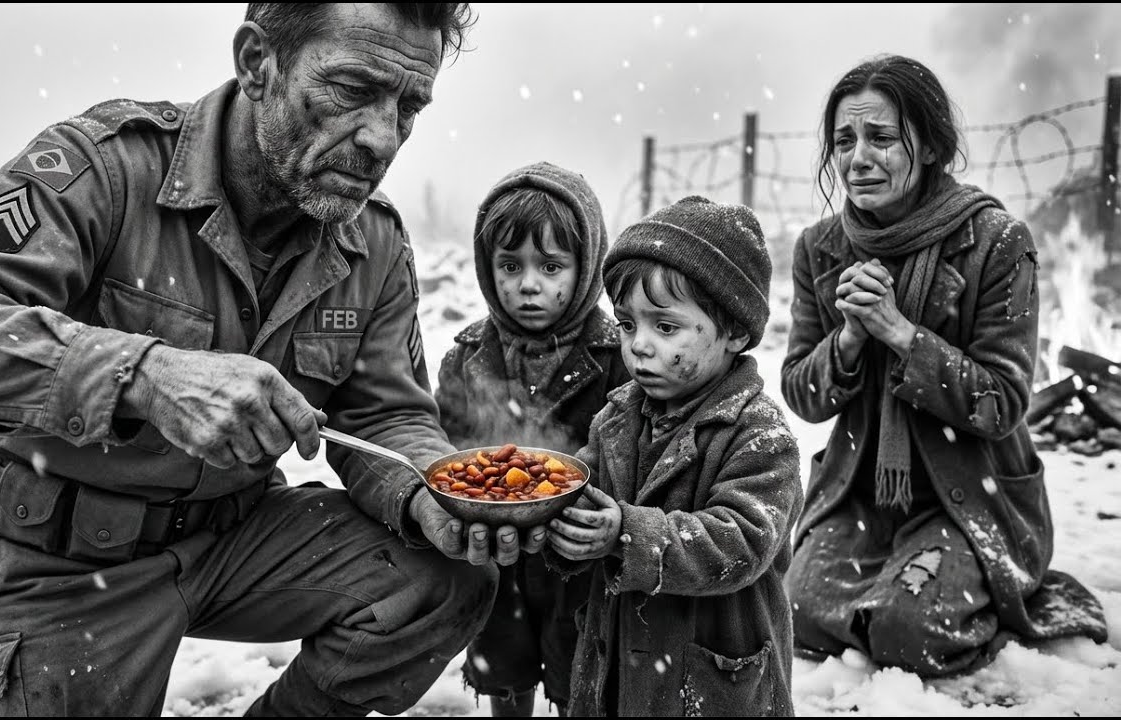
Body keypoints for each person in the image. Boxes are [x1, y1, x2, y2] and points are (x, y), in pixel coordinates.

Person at [0, 4, 553, 717]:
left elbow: (386, 415)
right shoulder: (108, 167)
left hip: (237, 534)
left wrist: (426, 490)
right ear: (257, 63)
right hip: (62, 556)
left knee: (441, 578)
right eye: (352, 89)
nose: (382, 137)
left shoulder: (373, 242)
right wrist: (145, 377)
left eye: (409, 106)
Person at [780, 53, 1109, 678]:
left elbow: (1004, 402)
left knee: (911, 633)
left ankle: (962, 585)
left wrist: (902, 335)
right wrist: (849, 338)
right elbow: (803, 394)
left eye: (881, 138)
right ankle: (893, 585)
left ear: (929, 147)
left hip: (971, 498)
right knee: (793, 611)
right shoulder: (820, 249)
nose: (858, 158)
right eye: (844, 140)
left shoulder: (995, 241)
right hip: (861, 496)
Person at [545, 196, 803, 716]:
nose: (639, 345)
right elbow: (581, 494)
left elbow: (741, 542)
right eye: (626, 324)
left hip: (706, 683)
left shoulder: (760, 435)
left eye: (665, 327)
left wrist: (626, 533)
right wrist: (553, 519)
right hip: (618, 666)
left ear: (733, 331)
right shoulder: (616, 419)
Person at [434, 161, 631, 716]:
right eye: (509, 265)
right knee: (501, 658)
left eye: (551, 266)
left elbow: (628, 453)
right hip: (494, 550)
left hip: (581, 553)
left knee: (581, 666)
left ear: (585, 265)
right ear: (486, 268)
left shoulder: (616, 358)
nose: (527, 284)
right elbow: (445, 443)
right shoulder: (468, 355)